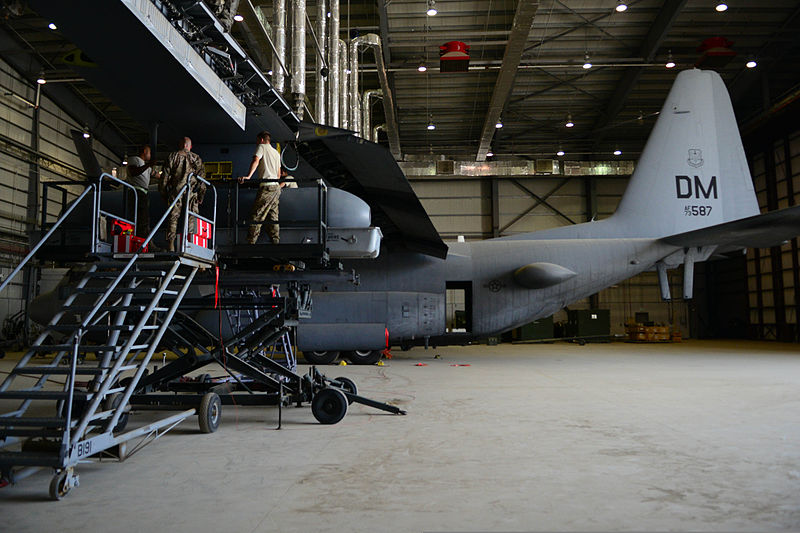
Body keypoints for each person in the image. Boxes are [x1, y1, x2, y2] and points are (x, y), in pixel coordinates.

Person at [162, 137, 206, 252]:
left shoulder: (172, 156)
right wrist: (201, 195)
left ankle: (171, 245)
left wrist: (163, 192)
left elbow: (164, 177)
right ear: (190, 146)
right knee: (191, 217)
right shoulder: (196, 158)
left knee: (173, 216)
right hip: (192, 192)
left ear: (180, 145)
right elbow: (202, 180)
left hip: (176, 191)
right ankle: (189, 245)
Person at [238, 131, 281, 244]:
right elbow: (279, 174)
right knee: (273, 216)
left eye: (257, 140)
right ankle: (275, 242)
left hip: (266, 187)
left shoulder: (261, 147)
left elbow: (256, 160)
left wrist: (248, 176)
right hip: (276, 188)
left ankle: (251, 242)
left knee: (257, 215)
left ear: (261, 140)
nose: (256, 143)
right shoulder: (276, 153)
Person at [126, 145, 159, 239]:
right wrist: (149, 164)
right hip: (136, 191)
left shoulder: (146, 167)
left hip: (143, 193)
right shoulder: (135, 160)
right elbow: (134, 172)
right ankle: (141, 240)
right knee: (139, 217)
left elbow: (156, 174)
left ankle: (142, 239)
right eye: (149, 153)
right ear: (145, 151)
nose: (150, 155)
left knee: (144, 218)